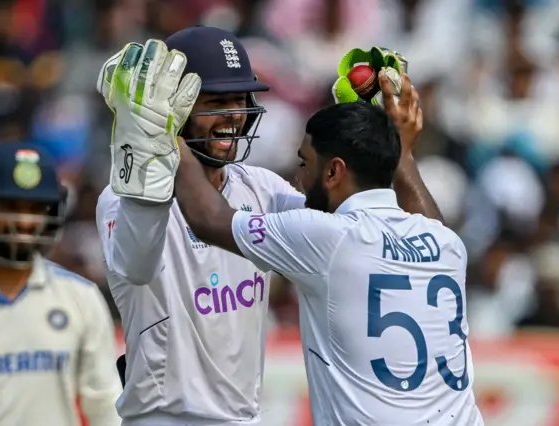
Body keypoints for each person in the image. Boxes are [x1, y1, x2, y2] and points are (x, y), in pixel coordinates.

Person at [96, 27, 442, 426]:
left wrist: (371, 138)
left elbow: (378, 230)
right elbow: (137, 267)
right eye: (216, 100)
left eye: (239, 99)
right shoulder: (125, 198)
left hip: (245, 417)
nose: (232, 114)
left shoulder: (261, 189)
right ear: (175, 106)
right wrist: (154, 149)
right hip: (164, 417)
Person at [173, 79, 484, 424]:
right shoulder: (447, 244)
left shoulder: (325, 236)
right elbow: (429, 221)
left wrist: (170, 134)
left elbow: (207, 218)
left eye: (305, 163)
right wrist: (402, 149)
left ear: (334, 171)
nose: (298, 178)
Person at [0, 143, 122, 426]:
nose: (23, 221)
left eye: (36, 209)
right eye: (9, 207)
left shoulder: (81, 298)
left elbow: (105, 407)